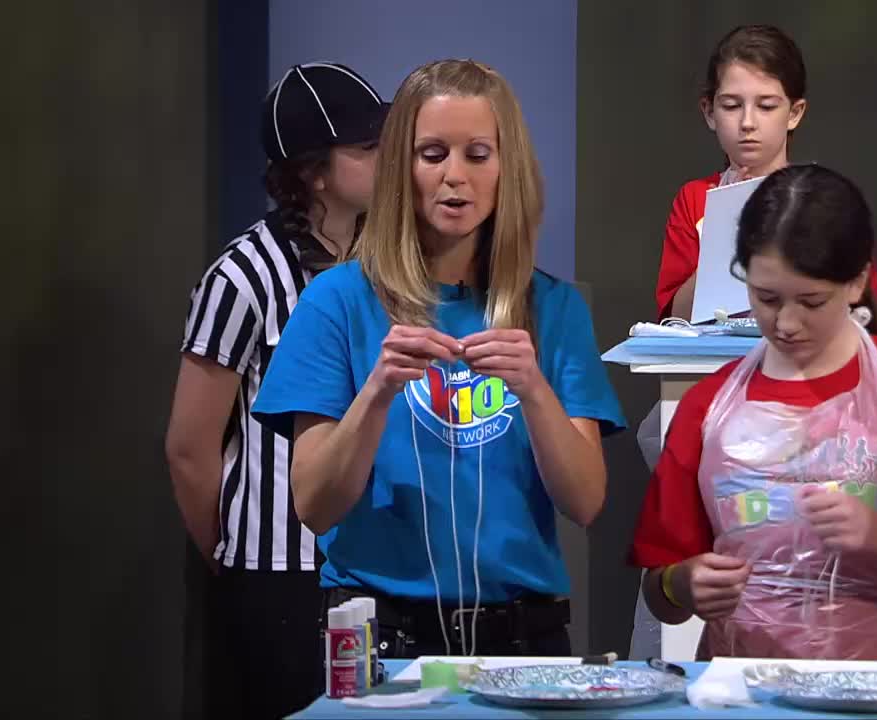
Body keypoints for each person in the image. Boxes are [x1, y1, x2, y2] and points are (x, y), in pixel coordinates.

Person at [251, 59, 626, 659]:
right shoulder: (335, 302)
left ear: (509, 170)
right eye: (433, 154)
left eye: (478, 154)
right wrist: (375, 393)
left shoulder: (554, 310)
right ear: (402, 167)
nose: (456, 177)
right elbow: (315, 507)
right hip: (382, 640)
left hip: (525, 640)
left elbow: (585, 502)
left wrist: (533, 388)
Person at [630, 164, 877, 660]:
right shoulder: (708, 407)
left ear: (858, 281)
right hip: (740, 692)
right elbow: (661, 591)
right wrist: (682, 584)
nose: (786, 323)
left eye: (812, 301)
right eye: (766, 298)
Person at [165, 62, 388, 719]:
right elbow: (189, 446)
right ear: (313, 170)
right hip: (277, 570)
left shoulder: (385, 264)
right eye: (367, 149)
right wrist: (236, 558)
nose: (388, 161)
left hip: (372, 563)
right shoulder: (243, 277)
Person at [655, 24, 877, 320]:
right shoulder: (695, 199)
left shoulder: (828, 200)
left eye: (766, 106)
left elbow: (861, 311)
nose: (748, 122)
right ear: (710, 112)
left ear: (795, 113)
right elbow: (674, 319)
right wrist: (727, 231)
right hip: (716, 363)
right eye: (732, 105)